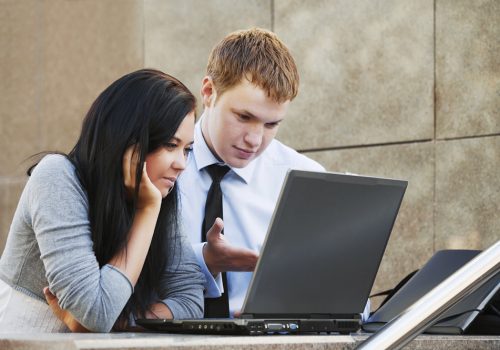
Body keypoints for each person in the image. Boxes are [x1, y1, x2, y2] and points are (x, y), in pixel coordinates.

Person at [0, 69, 205, 332]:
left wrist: (116, 323)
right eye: (170, 145)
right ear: (128, 141)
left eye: (187, 149)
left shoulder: (159, 192)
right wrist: (147, 210)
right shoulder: (57, 177)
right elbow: (97, 312)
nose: (182, 164)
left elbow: (189, 301)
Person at [177, 28, 329, 318]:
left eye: (271, 125)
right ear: (208, 92)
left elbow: (348, 300)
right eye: (244, 117)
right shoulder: (161, 168)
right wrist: (203, 261)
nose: (255, 139)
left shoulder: (303, 179)